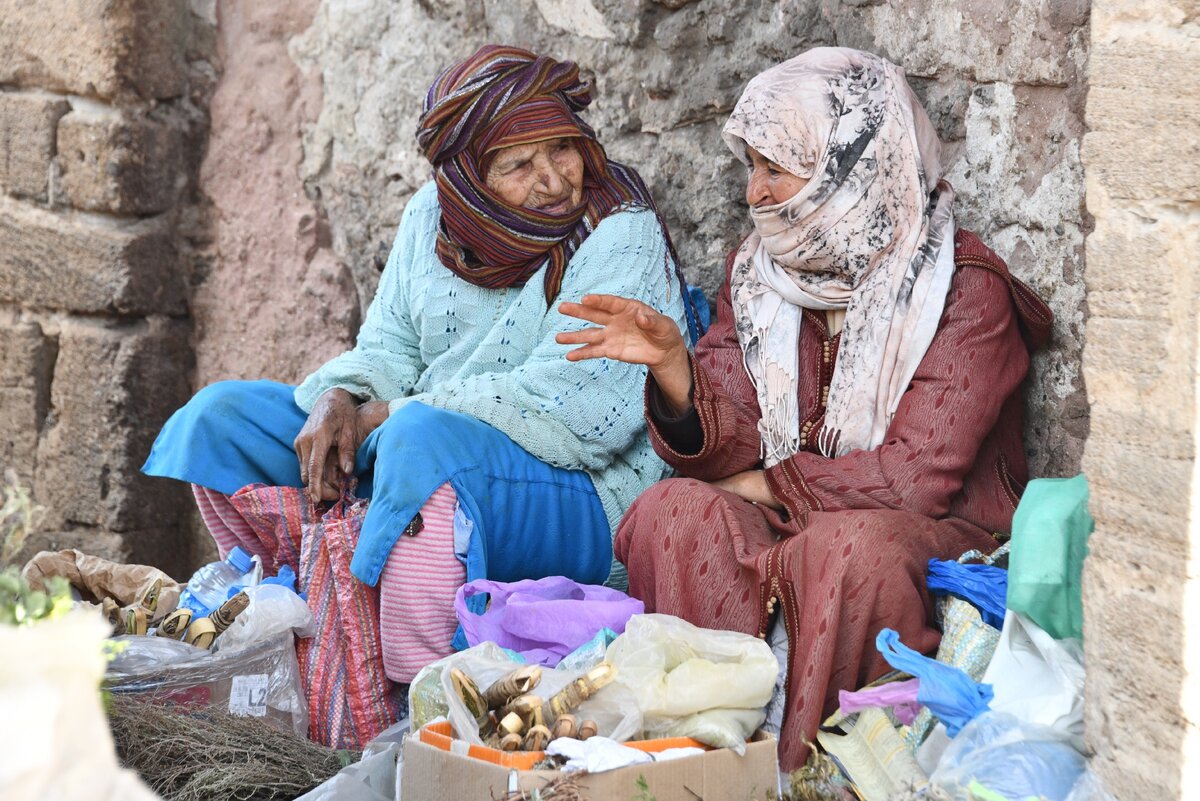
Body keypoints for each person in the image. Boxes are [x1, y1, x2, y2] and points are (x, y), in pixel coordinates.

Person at [558, 47, 1052, 769]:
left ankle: (801, 773)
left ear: (846, 167)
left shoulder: (965, 289)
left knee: (848, 548)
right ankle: (697, 756)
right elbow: (727, 433)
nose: (754, 192)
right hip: (804, 512)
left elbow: (916, 479)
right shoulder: (760, 277)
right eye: (749, 168)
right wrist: (674, 371)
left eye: (773, 167)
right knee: (672, 512)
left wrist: (767, 485)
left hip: (938, 530)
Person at [143, 45, 691, 683]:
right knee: (221, 418)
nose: (554, 180)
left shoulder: (617, 230)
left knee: (418, 441)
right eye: (518, 164)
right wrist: (340, 399)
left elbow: (579, 413)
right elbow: (390, 348)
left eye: (562, 148)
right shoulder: (430, 218)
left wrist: (390, 415)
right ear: (465, 180)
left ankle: (412, 701)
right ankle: (291, 623)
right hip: (424, 445)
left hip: (579, 489)